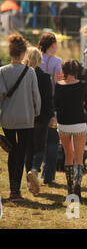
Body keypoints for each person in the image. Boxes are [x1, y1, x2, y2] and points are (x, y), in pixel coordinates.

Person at [0, 34, 41, 201]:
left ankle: (13, 190)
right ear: (23, 52)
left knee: (12, 153)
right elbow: (35, 96)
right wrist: (36, 112)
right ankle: (17, 191)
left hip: (8, 119)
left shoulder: (2, 71)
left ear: (10, 52)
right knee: (21, 153)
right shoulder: (30, 71)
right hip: (26, 118)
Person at [54, 60, 87, 200]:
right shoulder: (83, 85)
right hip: (79, 123)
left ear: (64, 70)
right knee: (79, 158)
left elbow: (55, 104)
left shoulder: (58, 85)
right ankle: (77, 188)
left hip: (63, 124)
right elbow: (86, 103)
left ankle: (69, 188)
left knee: (68, 155)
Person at [23, 47, 53, 197]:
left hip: (26, 117)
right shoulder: (45, 77)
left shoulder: (23, 75)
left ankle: (30, 183)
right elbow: (48, 99)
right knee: (40, 147)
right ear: (40, 60)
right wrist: (50, 115)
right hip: (41, 117)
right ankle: (34, 170)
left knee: (28, 148)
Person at [38, 32, 63, 185]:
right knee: (53, 140)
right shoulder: (57, 61)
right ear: (52, 45)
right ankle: (48, 176)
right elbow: (59, 83)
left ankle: (34, 168)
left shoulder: (35, 58)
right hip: (51, 102)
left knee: (37, 139)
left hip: (35, 103)